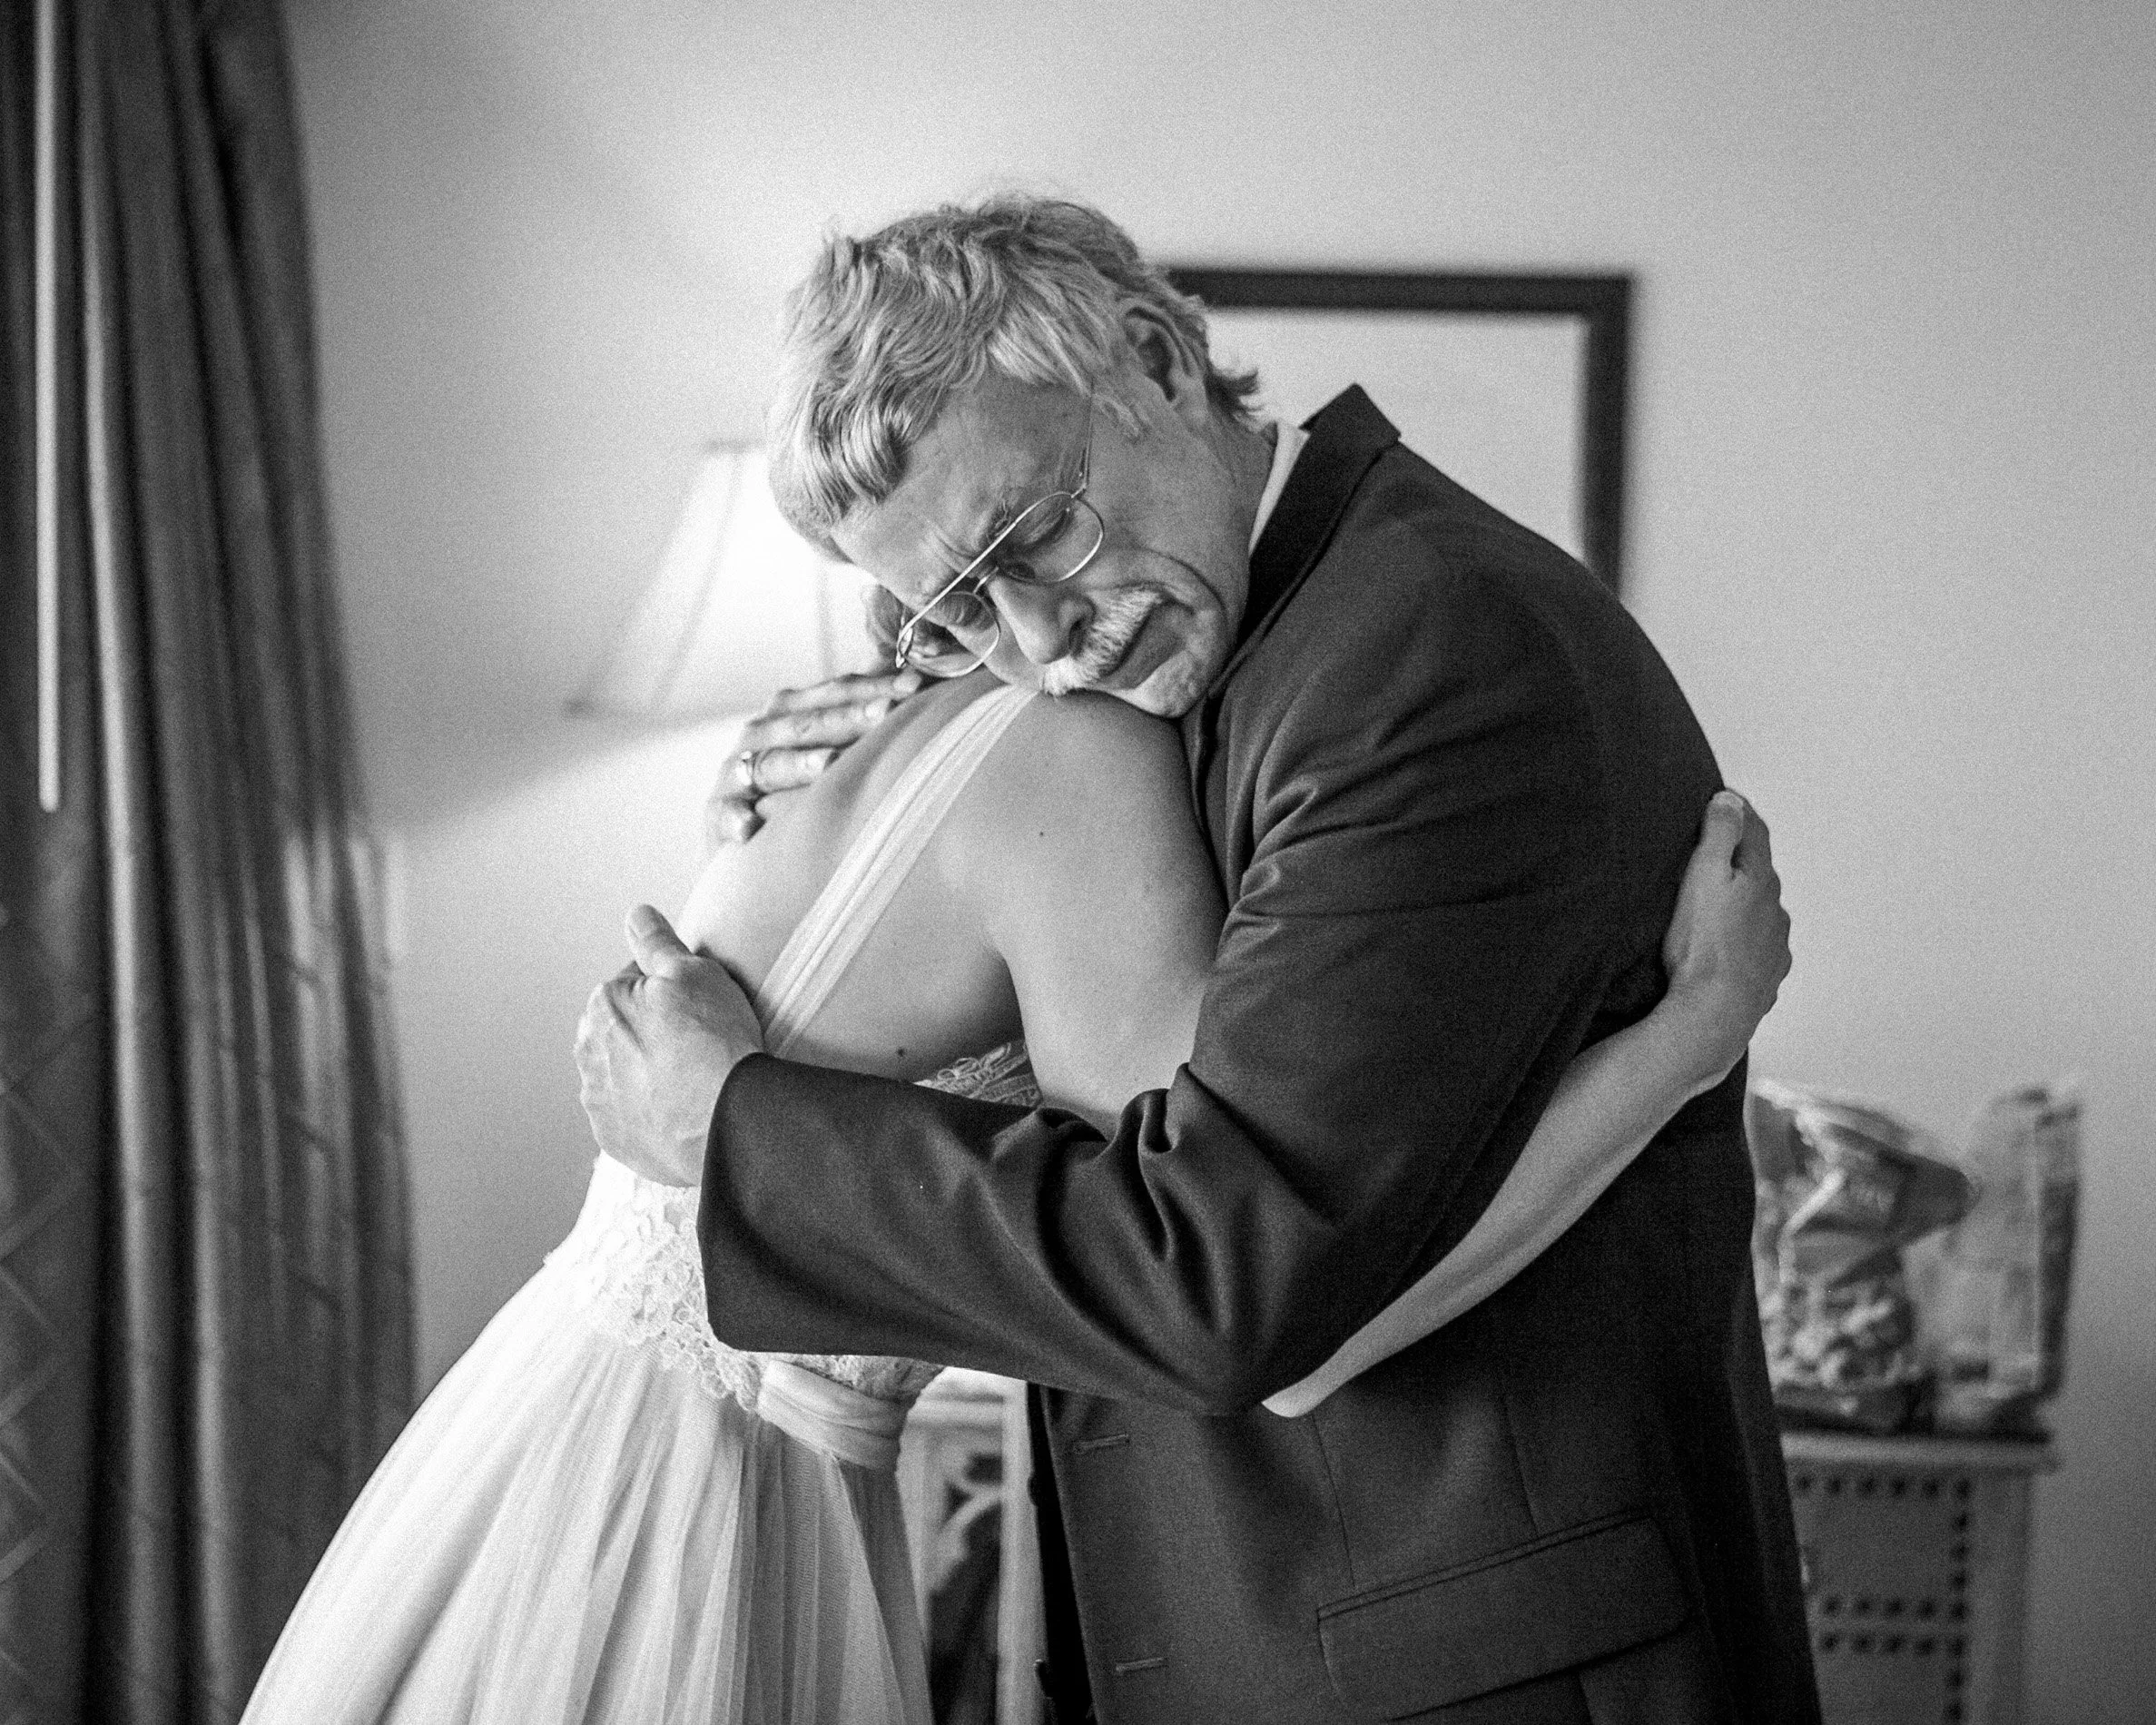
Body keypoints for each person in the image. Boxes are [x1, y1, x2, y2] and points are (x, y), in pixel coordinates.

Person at [578, 196, 1822, 1725]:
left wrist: (732, 1128)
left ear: (1156, 361)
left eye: (1035, 534)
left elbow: (1225, 1281)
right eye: (957, 610)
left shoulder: (1423, 651)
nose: (1041, 642)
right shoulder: (1194, 663)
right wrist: (1683, 1043)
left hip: (1476, 1672)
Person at [240, 649, 1779, 1724]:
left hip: (608, 1427)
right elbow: (1271, 1315)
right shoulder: (1074, 757)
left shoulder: (930, 749)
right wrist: (1684, 1041)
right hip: (692, 1494)